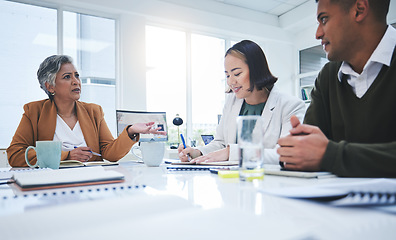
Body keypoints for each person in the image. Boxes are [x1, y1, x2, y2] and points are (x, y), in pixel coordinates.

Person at [277, 0, 396, 177]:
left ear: (359, 10)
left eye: (324, 19)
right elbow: (307, 150)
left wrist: (330, 155)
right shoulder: (327, 76)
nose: (318, 34)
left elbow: (324, 154)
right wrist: (295, 150)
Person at [7, 55, 166, 167]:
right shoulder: (34, 111)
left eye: (77, 75)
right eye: (67, 77)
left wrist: (130, 131)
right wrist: (67, 156)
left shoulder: (94, 111)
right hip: (51, 184)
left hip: (90, 181)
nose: (76, 81)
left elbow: (109, 154)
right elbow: (15, 155)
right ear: (50, 86)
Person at [178, 40, 305, 164]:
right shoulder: (231, 102)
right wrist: (198, 152)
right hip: (231, 180)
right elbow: (220, 143)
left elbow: (286, 153)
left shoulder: (291, 106)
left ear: (256, 70)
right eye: (228, 75)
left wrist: (231, 153)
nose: (230, 82)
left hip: (268, 181)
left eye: (237, 74)